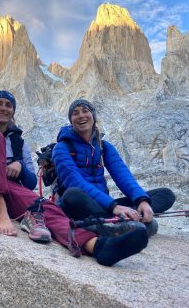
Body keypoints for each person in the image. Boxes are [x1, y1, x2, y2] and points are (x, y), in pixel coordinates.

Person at [0, 70, 149, 266]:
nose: (3, 108)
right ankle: (0, 211)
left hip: (9, 188)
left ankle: (97, 246)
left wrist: (18, 166)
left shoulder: (18, 141)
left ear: (13, 111)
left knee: (46, 207)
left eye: (8, 105)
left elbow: (31, 182)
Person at [52, 98, 176, 237]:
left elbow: (122, 175)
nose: (81, 115)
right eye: (75, 113)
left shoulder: (103, 146)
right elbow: (74, 182)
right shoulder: (61, 148)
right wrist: (113, 206)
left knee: (165, 194)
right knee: (72, 194)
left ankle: (116, 223)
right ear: (71, 120)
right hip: (81, 205)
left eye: (85, 111)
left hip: (104, 206)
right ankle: (126, 224)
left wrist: (142, 200)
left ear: (93, 116)